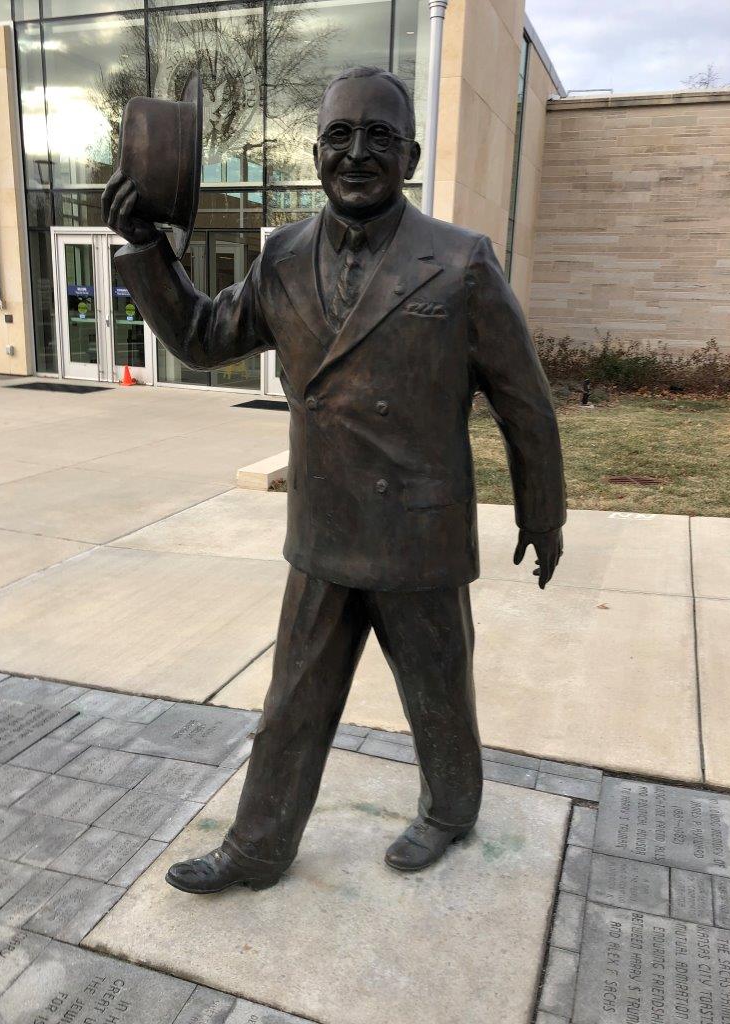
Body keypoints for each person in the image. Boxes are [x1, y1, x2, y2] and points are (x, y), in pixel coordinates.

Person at [103, 66, 566, 895]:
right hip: (324, 529)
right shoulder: (282, 254)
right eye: (340, 137)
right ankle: (256, 850)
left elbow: (524, 401)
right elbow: (207, 337)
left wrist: (544, 511)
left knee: (438, 695)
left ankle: (451, 811)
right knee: (293, 699)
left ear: (412, 154)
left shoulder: (460, 262)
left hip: (418, 530)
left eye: (379, 137)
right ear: (315, 153)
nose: (357, 154)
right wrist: (146, 252)